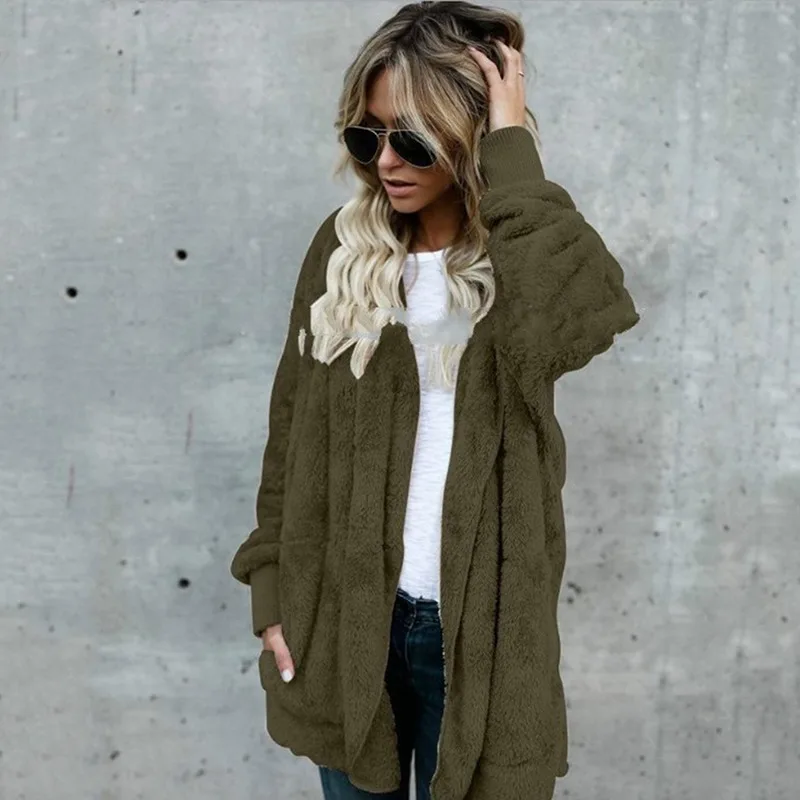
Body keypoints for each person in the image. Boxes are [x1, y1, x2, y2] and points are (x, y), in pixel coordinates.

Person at [229, 3, 641, 799]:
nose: (385, 161)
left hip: (479, 636)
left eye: (413, 140)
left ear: (468, 134)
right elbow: (291, 433)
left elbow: (573, 325)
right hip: (344, 621)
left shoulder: (517, 258)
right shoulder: (343, 253)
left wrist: (511, 146)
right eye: (367, 136)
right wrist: (274, 592)